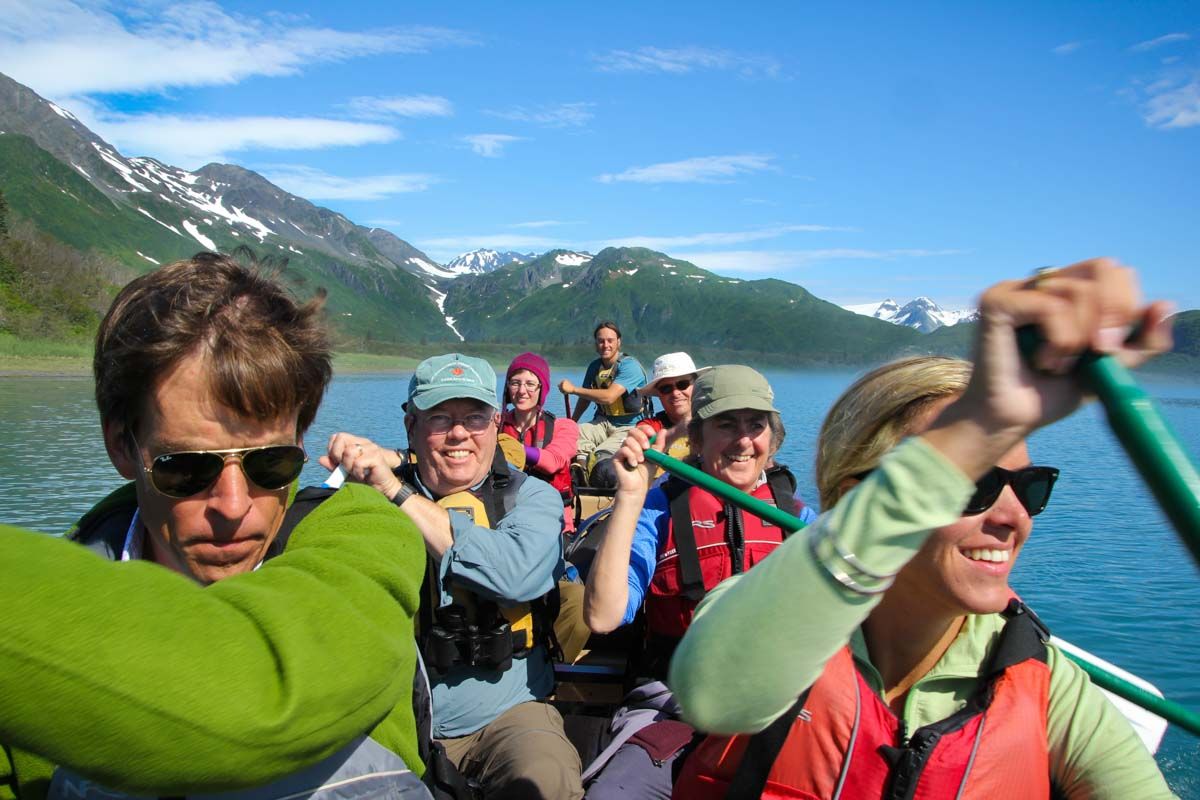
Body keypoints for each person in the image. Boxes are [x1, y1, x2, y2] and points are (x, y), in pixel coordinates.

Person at [669, 259, 1176, 798]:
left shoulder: (1045, 679)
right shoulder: (764, 610)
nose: (1012, 517)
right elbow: (717, 692)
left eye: (1028, 486)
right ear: (853, 496)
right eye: (970, 484)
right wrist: (978, 425)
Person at [0, 253, 428, 800]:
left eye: (270, 463)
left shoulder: (363, 539)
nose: (232, 505)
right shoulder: (77, 565)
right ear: (122, 447)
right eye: (186, 468)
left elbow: (259, 696)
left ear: (302, 441)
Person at [323, 353, 584, 800]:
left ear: (496, 424)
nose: (459, 433)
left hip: (507, 712)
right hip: (397, 714)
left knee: (548, 777)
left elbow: (515, 574)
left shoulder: (533, 497)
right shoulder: (365, 498)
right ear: (411, 426)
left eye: (475, 418)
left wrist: (394, 489)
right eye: (440, 418)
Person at [579, 365, 818, 797]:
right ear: (699, 437)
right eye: (726, 425)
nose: (744, 440)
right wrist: (630, 497)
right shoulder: (657, 508)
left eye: (756, 425)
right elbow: (602, 615)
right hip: (672, 709)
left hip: (773, 712)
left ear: (773, 438)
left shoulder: (798, 517)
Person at [590, 352, 706, 488]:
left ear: (696, 386)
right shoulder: (649, 428)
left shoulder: (715, 423)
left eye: (682, 384)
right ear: (659, 395)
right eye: (666, 388)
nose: (675, 393)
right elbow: (640, 435)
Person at [501, 352, 580, 532]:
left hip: (553, 523)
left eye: (530, 384)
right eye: (515, 383)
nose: (522, 390)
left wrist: (514, 449)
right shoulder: (495, 425)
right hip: (506, 520)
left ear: (541, 389)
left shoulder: (564, 427)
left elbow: (553, 462)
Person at [559, 322, 648, 482]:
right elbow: (585, 398)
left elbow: (609, 397)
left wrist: (573, 389)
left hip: (630, 426)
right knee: (571, 435)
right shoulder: (595, 366)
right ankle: (579, 469)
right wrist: (572, 422)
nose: (605, 345)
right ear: (596, 344)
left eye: (610, 340)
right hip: (603, 421)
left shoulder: (630, 366)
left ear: (618, 342)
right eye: (601, 341)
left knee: (602, 453)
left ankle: (592, 467)